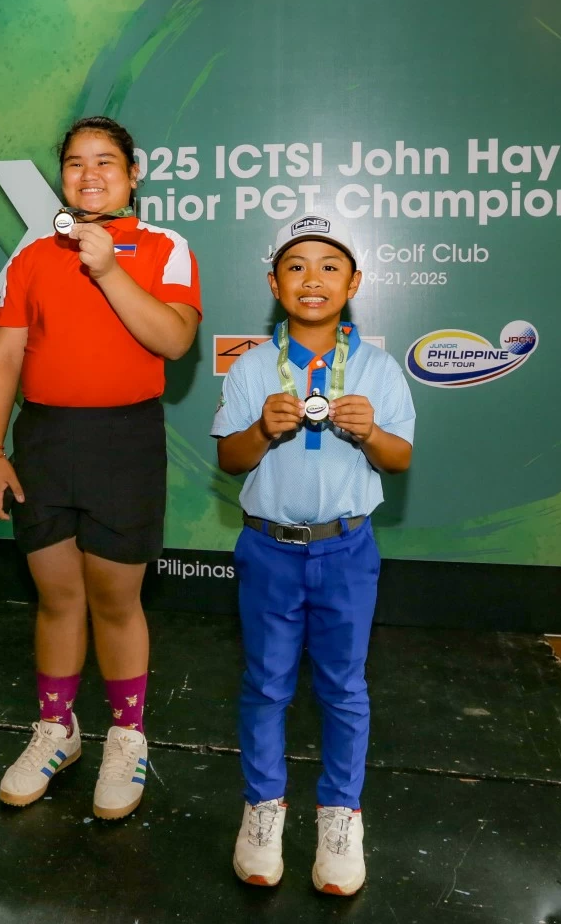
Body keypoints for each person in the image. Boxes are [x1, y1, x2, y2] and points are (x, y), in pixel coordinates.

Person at [0, 116, 201, 820]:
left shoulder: (167, 248)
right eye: (75, 163)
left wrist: (107, 268)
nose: (89, 174)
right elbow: (6, 356)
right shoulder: (33, 255)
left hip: (124, 442)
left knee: (114, 599)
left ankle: (127, 734)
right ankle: (57, 729)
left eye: (106, 161)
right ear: (63, 177)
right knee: (57, 597)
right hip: (45, 441)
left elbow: (172, 339)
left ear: (134, 174)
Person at [211, 215, 415, 895]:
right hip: (269, 549)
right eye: (296, 266)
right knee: (266, 684)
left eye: (330, 266)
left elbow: (401, 457)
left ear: (354, 283)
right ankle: (263, 809)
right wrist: (261, 430)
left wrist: (371, 433)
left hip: (346, 548)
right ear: (274, 283)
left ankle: (340, 816)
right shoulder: (250, 366)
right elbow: (228, 456)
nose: (313, 279)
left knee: (343, 688)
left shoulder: (377, 368)